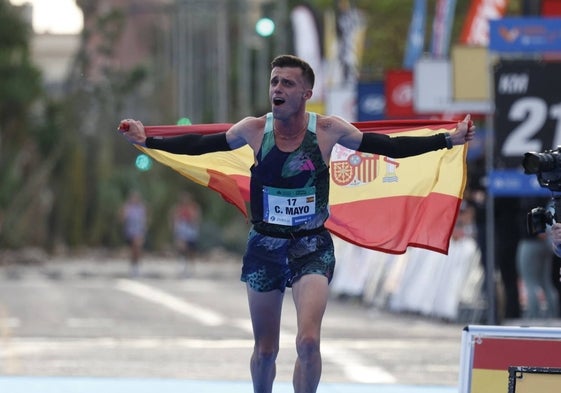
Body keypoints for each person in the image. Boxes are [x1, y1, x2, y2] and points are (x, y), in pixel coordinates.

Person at [118, 54, 475, 393]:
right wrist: (148, 139)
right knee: (266, 350)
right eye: (274, 82)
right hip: (265, 247)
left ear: (306, 94)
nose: (277, 89)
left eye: (288, 83)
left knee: (308, 341)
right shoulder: (255, 130)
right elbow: (202, 143)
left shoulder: (330, 131)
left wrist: (447, 140)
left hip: (312, 247)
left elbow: (387, 146)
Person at [516, 198, 559, 319]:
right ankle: (553, 315)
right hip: (546, 243)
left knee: (530, 282)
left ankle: (533, 316)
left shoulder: (528, 196)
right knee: (546, 282)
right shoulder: (547, 195)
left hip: (530, 242)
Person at [171, 191, 201, 276]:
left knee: (191, 250)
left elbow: (196, 218)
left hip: (191, 230)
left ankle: (191, 268)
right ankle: (183, 266)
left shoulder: (194, 207)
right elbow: (174, 217)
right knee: (182, 247)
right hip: (182, 229)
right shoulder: (178, 208)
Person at [120, 190, 148, 277]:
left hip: (139, 231)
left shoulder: (141, 208)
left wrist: (144, 231)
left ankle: (136, 266)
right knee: (133, 249)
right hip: (130, 231)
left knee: (137, 249)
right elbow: (122, 219)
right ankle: (133, 266)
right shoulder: (128, 207)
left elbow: (144, 220)